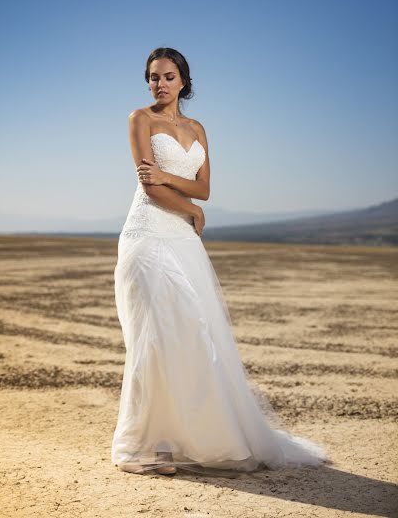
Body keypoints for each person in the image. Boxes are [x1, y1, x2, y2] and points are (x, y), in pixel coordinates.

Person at [111, 47, 330, 477]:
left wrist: (179, 189)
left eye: (168, 76)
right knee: (153, 338)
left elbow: (204, 188)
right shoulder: (140, 118)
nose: (159, 84)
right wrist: (189, 208)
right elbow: (149, 187)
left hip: (184, 243)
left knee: (193, 335)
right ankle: (139, 447)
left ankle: (181, 441)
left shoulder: (197, 128)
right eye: (153, 77)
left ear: (184, 81)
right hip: (147, 236)